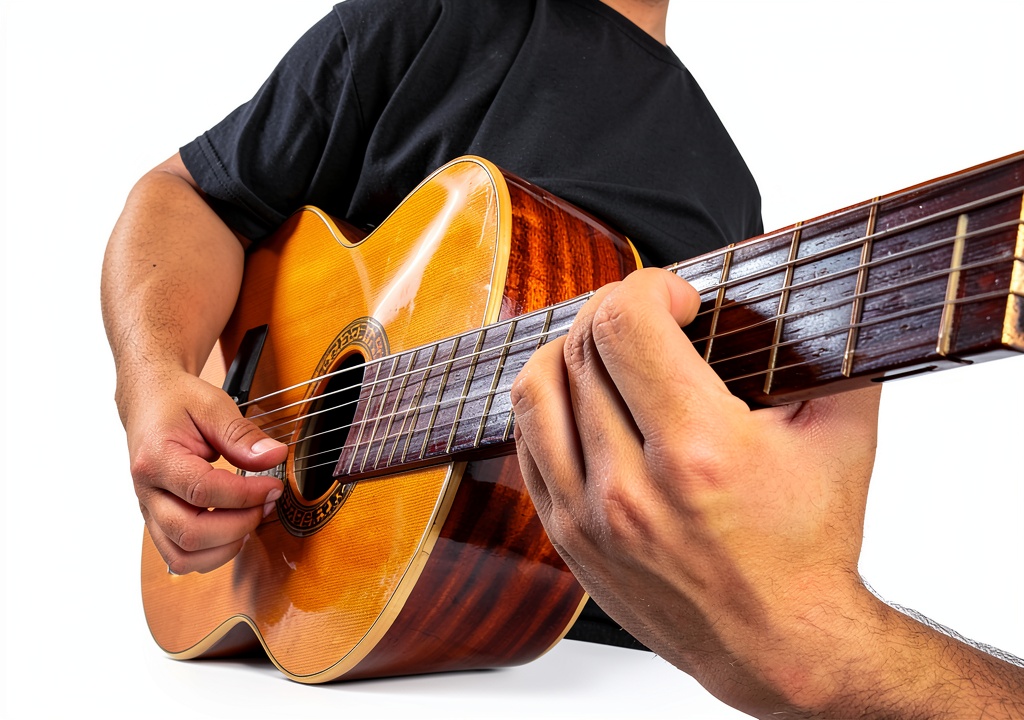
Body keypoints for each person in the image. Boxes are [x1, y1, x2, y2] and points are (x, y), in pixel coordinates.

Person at [100, 0, 1024, 716]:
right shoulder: (430, 22)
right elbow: (189, 196)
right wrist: (154, 380)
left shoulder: (726, 188)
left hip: (608, 672)